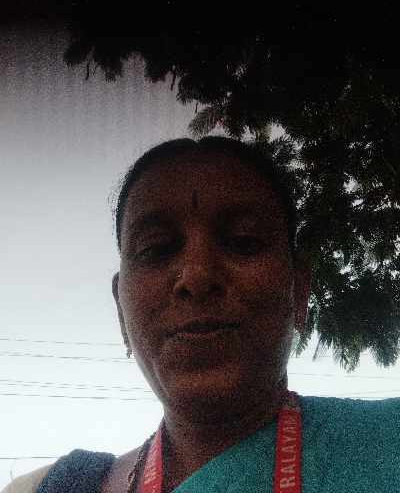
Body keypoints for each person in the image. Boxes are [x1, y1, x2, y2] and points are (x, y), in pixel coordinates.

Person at [3, 135, 400, 493]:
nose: (196, 275)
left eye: (242, 241)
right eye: (156, 249)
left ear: (299, 291)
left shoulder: (386, 445)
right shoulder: (48, 488)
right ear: (120, 311)